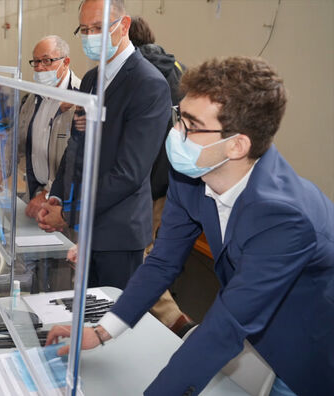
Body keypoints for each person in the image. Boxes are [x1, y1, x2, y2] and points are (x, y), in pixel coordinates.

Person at [47, 56, 334, 396]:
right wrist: (101, 331)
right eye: (178, 116)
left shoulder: (285, 217)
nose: (175, 133)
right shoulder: (191, 172)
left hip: (309, 346)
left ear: (236, 145)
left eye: (191, 126)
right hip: (251, 333)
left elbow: (225, 326)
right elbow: (162, 261)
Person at [37, 0, 172, 288]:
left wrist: (70, 212)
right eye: (84, 29)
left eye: (98, 27)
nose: (90, 36)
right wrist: (58, 198)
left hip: (119, 233)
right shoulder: (90, 80)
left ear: (124, 26)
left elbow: (129, 173)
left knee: (113, 325)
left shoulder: (148, 84)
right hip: (86, 225)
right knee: (84, 317)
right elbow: (76, 146)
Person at [128, 15, 194, 336]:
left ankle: (174, 321)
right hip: (176, 181)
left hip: (149, 181)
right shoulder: (176, 66)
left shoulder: (139, 73)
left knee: (145, 255)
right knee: (158, 252)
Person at [19, 35, 80, 219]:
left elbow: (78, 160)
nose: (39, 68)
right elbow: (21, 137)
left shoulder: (81, 99)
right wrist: (1, 168)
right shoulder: (32, 98)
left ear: (65, 62)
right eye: (35, 62)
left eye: (46, 61)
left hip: (63, 201)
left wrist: (49, 193)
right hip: (34, 193)